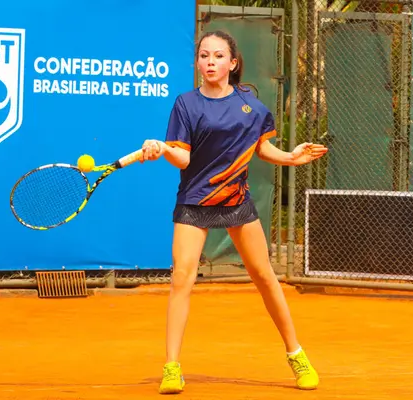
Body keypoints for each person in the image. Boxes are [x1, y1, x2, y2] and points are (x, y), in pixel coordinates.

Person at [140, 30, 328, 395]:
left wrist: (291, 157)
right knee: (182, 278)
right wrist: (163, 148)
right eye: (204, 56)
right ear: (197, 62)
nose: (210, 62)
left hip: (236, 202)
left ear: (233, 63)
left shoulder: (252, 108)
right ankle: (172, 367)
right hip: (194, 202)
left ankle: (297, 354)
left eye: (217, 56)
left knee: (264, 276)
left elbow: (262, 148)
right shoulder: (186, 104)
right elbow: (184, 157)